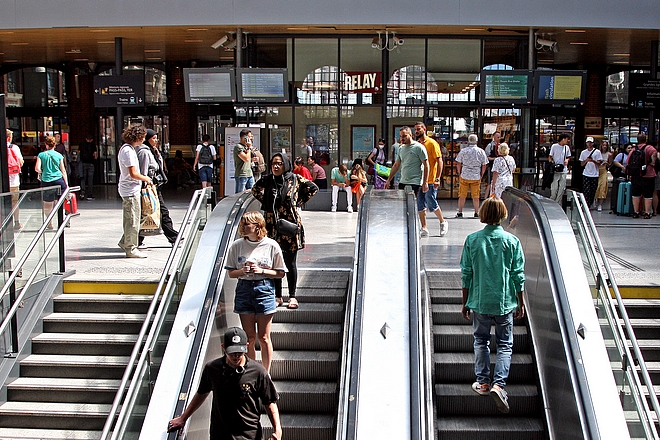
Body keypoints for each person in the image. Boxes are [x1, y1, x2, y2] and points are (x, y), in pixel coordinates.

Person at [460, 196, 525, 414]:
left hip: (480, 301)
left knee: (481, 340)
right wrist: (520, 302)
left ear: (484, 214)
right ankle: (499, 385)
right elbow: (518, 275)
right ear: (503, 214)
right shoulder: (512, 242)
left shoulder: (472, 240)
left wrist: (465, 301)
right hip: (505, 301)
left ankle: (483, 382)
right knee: (505, 344)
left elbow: (466, 273)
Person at [167, 327, 282, 440]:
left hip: (249, 435)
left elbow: (270, 401)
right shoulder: (212, 369)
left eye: (239, 352)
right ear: (223, 347)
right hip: (220, 434)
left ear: (247, 346)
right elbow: (201, 393)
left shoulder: (258, 371)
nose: (236, 356)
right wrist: (183, 418)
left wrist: (277, 429)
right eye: (232, 352)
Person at [252, 153, 318, 310]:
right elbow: (255, 190)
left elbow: (312, 188)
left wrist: (296, 203)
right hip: (271, 225)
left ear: (286, 165)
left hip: (289, 225)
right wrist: (266, 202)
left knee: (289, 262)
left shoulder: (294, 179)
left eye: (279, 163)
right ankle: (277, 295)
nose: (276, 166)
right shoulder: (268, 180)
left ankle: (293, 296)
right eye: (274, 163)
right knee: (274, 261)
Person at [226, 211, 286, 373]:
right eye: (243, 224)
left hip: (264, 288)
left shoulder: (271, 245)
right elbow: (231, 273)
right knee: (249, 338)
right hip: (244, 289)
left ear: (258, 226)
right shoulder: (237, 245)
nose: (243, 227)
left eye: (247, 224)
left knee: (264, 337)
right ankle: (252, 371)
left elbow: (280, 273)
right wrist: (243, 270)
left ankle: (265, 373)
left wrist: (261, 271)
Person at [136, 129, 179, 248]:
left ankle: (137, 240)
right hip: (149, 187)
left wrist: (158, 153)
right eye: (153, 138)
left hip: (154, 187)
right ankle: (174, 237)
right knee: (162, 212)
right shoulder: (144, 152)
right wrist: (145, 186)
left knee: (147, 213)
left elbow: (159, 166)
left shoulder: (152, 151)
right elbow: (144, 170)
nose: (156, 140)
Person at [116, 124, 152, 259]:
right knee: (132, 220)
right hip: (130, 190)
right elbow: (133, 173)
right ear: (136, 137)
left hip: (131, 189)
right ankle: (131, 248)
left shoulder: (129, 149)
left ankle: (125, 241)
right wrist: (146, 178)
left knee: (134, 218)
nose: (143, 140)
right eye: (142, 137)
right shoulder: (128, 151)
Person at [414, 122, 448, 237]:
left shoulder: (432, 143)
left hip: (431, 179)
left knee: (431, 201)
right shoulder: (417, 144)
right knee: (420, 204)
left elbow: (439, 161)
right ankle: (424, 227)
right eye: (415, 130)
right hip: (420, 179)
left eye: (418, 129)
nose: (416, 131)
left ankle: (443, 222)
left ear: (424, 129)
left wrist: (437, 178)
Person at [384, 127, 429, 204]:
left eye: (404, 136)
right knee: (403, 205)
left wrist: (425, 182)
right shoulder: (401, 148)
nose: (402, 138)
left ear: (411, 135)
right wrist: (389, 180)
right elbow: (396, 165)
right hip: (403, 181)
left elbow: (426, 165)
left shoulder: (419, 147)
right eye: (401, 136)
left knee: (411, 204)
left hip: (415, 182)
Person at [35, 136, 68, 230]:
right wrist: (66, 183)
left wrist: (43, 171)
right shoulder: (59, 155)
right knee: (60, 203)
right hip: (59, 181)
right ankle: (61, 221)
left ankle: (49, 222)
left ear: (46, 144)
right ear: (55, 145)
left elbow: (37, 168)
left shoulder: (41, 155)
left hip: (47, 181)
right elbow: (63, 171)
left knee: (47, 204)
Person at [454, 134, 489, 218]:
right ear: (476, 141)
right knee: (476, 196)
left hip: (465, 175)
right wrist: (481, 174)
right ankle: (476, 212)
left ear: (468, 141)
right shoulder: (481, 151)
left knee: (462, 195)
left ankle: (460, 211)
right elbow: (484, 164)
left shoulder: (463, 151)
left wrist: (459, 173)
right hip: (476, 176)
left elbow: (458, 162)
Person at [628, 134, 657, 219]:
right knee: (648, 195)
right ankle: (647, 213)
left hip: (636, 175)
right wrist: (653, 162)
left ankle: (636, 212)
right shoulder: (649, 148)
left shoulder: (633, 149)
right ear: (645, 140)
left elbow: (628, 161)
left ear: (637, 140)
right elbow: (654, 154)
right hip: (648, 175)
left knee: (635, 194)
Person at [6, 129, 24, 230]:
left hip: (3, 182)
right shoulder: (14, 147)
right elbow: (21, 162)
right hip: (13, 182)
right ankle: (16, 222)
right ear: (9, 138)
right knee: (14, 202)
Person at [579, 136, 603, 209]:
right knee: (586, 190)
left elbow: (599, 163)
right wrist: (586, 160)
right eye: (588, 142)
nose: (589, 144)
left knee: (593, 190)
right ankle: (586, 205)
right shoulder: (583, 152)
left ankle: (590, 202)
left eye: (590, 142)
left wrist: (593, 161)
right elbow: (581, 164)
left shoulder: (597, 152)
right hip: (586, 173)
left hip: (594, 174)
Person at [548, 134, 572, 203]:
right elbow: (550, 156)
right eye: (567, 139)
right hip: (555, 170)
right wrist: (553, 164)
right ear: (563, 139)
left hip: (563, 170)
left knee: (561, 188)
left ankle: (558, 202)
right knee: (554, 188)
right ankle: (552, 201)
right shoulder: (554, 146)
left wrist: (567, 160)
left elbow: (568, 156)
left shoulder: (566, 147)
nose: (568, 141)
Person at [234, 129, 254, 193]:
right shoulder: (238, 147)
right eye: (249, 137)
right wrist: (249, 148)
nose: (251, 139)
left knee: (253, 193)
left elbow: (248, 159)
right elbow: (246, 159)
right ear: (244, 137)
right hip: (241, 174)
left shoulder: (246, 147)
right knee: (239, 194)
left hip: (249, 173)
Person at [595, 140, 613, 212]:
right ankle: (595, 200)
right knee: (596, 186)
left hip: (604, 170)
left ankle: (600, 204)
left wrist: (607, 163)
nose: (604, 147)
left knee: (602, 186)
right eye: (603, 145)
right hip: (596, 170)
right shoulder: (597, 153)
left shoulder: (609, 154)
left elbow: (610, 164)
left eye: (606, 145)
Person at [78, 134, 98, 200]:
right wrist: (95, 158)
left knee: (83, 179)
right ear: (91, 140)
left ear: (86, 139)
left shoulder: (81, 144)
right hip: (91, 164)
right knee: (90, 180)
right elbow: (95, 155)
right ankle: (89, 195)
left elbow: (78, 153)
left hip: (83, 163)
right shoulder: (93, 145)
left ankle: (82, 193)